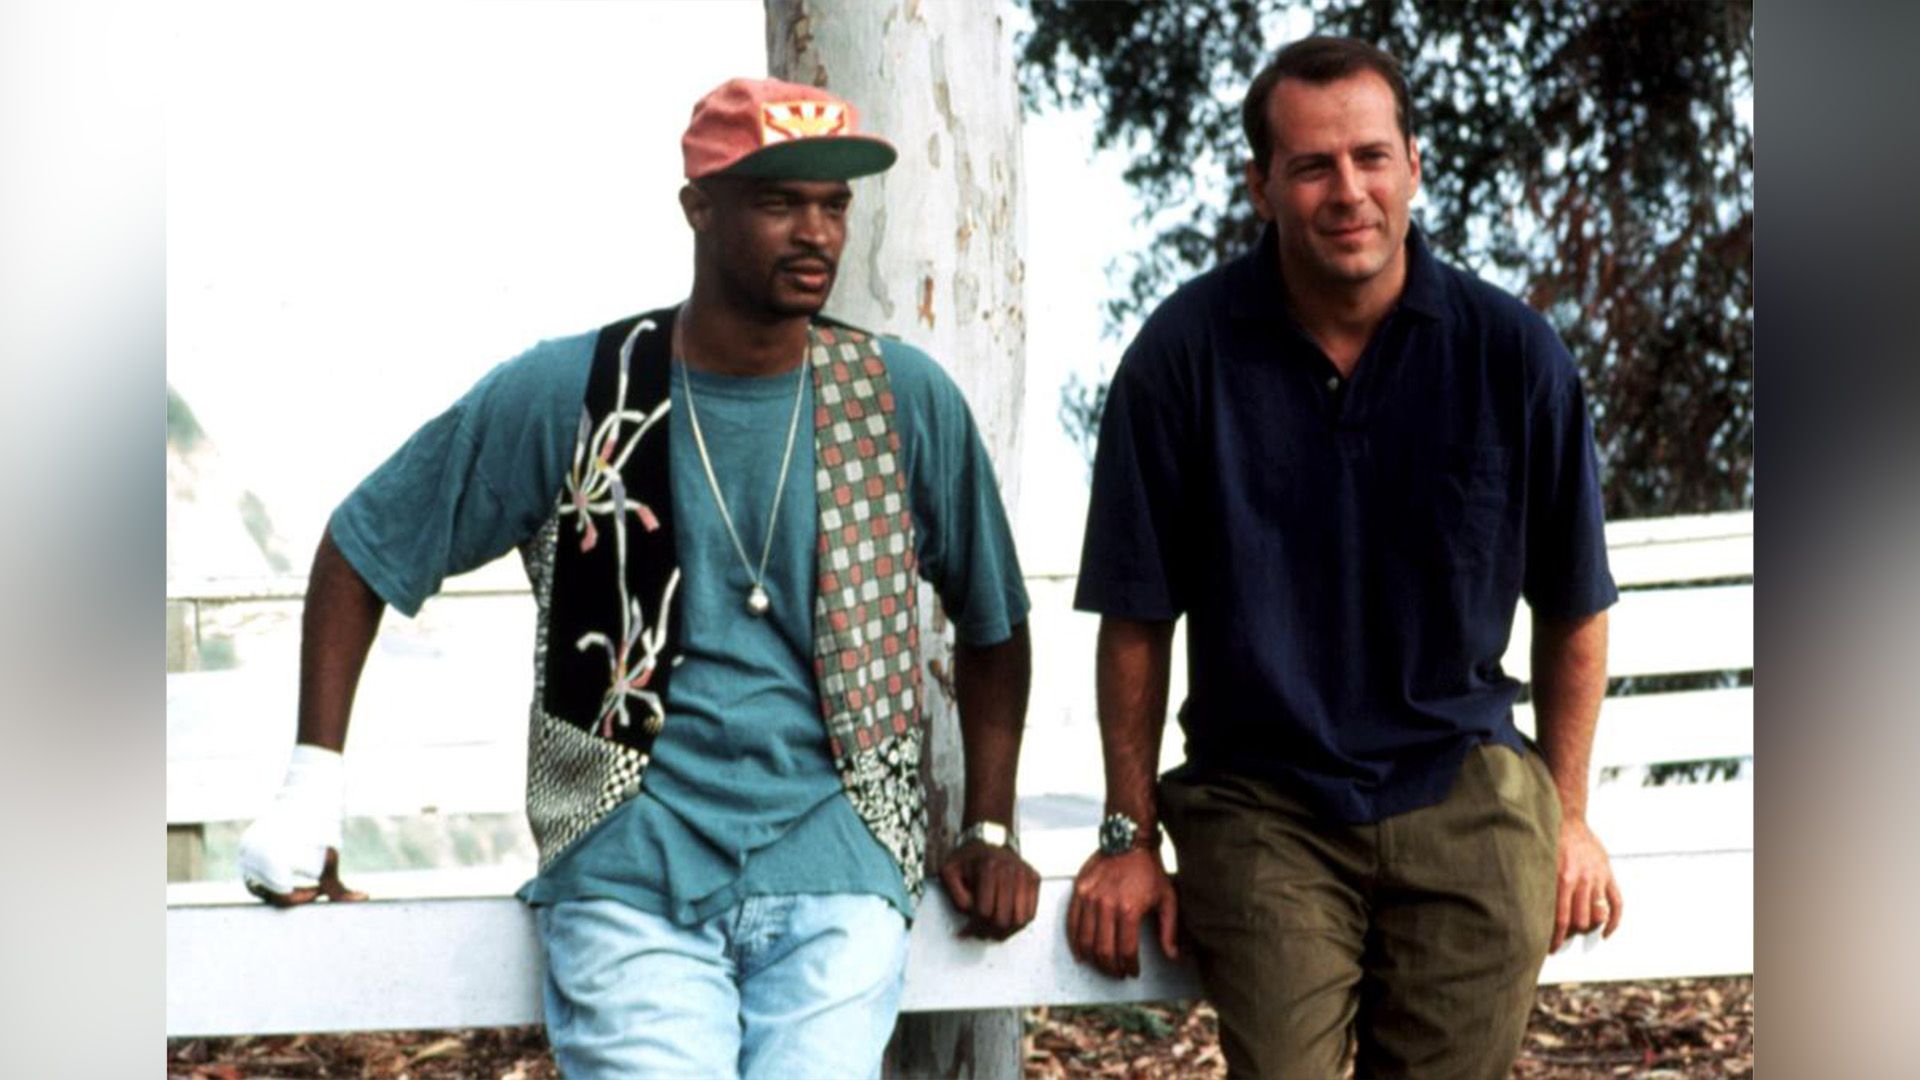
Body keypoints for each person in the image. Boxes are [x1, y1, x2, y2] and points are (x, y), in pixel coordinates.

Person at [237, 76, 1040, 1080]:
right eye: (779, 200)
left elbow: (995, 620)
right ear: (699, 209)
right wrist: (311, 788)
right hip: (627, 862)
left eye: (835, 205)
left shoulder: (897, 397)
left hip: (839, 864)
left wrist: (992, 824)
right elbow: (365, 544)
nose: (817, 233)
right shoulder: (576, 389)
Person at [1064, 36, 1622, 1079]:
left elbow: (1575, 602)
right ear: (1261, 186)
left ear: (1414, 163)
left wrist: (1572, 817)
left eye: (1371, 156)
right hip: (1262, 799)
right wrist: (1127, 836)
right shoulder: (1181, 358)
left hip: (1466, 784)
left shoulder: (1512, 356)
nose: (1347, 191)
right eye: (1312, 165)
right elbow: (1135, 616)